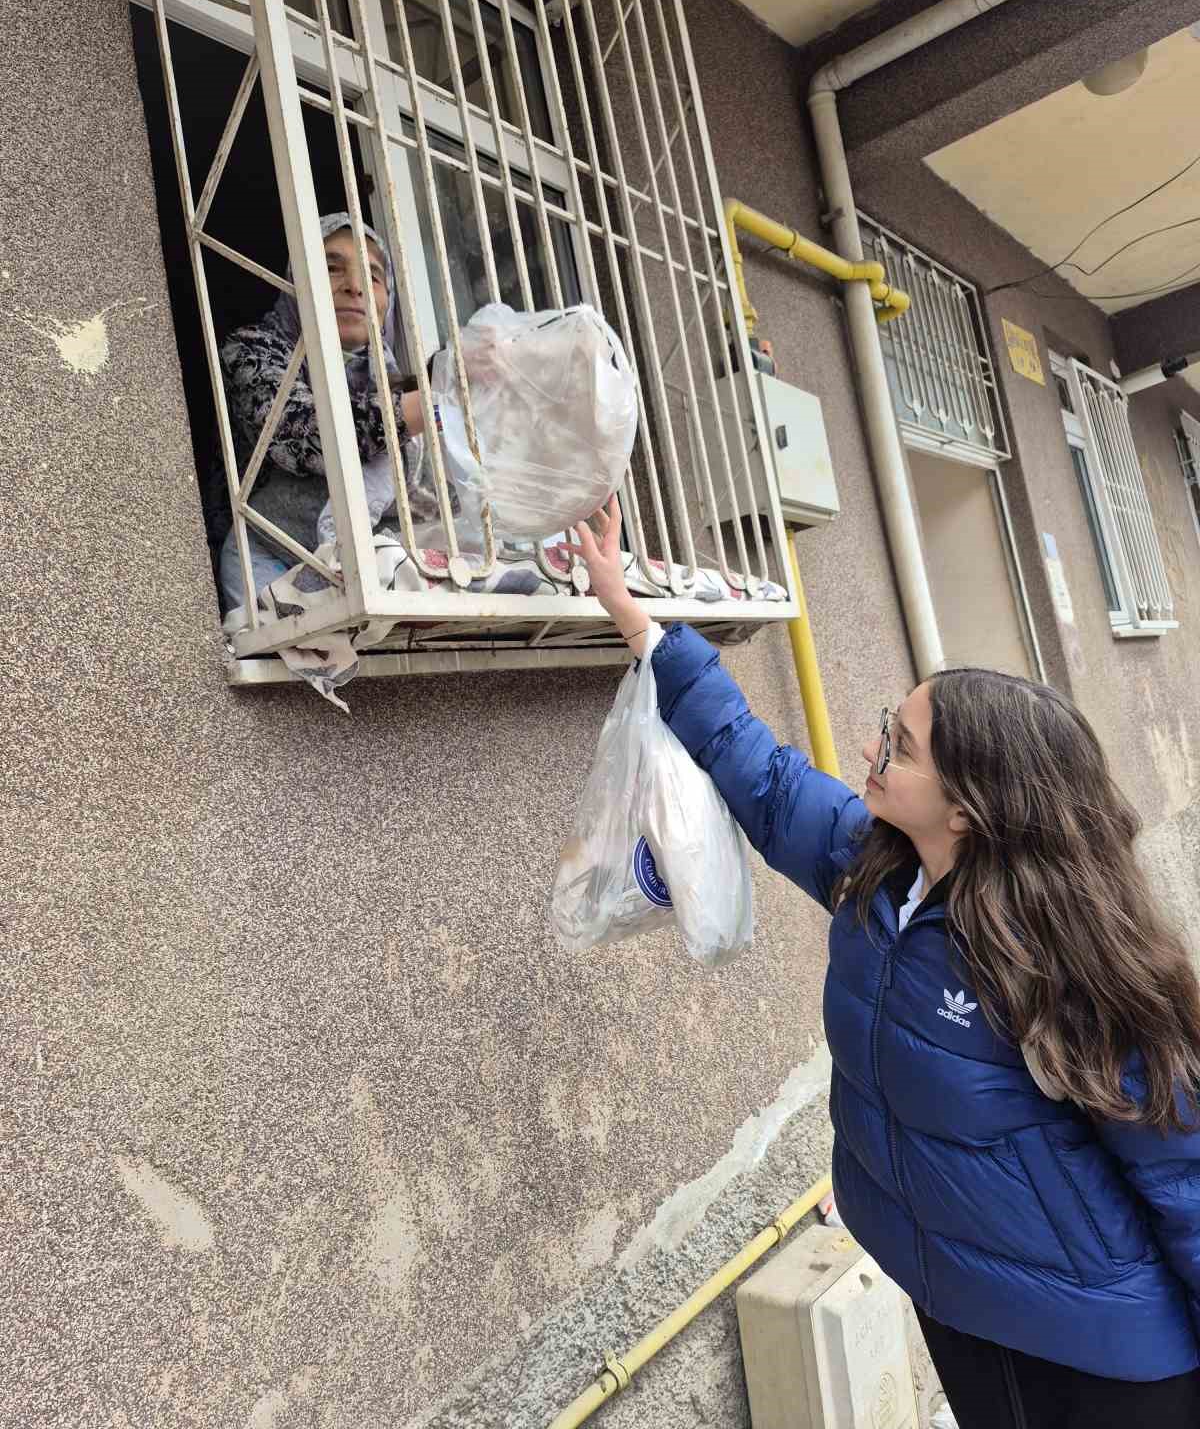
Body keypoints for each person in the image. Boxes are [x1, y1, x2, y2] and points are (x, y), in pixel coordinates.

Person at [572, 494, 1200, 1429]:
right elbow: (759, 771)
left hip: (1096, 1354)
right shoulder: (875, 866)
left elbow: (1180, 1177)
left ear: (969, 808)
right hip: (961, 1305)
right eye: (886, 723)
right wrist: (637, 617)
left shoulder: (1065, 960)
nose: (872, 746)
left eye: (899, 746)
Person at [217, 212, 437, 612]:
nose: (354, 287)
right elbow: (304, 434)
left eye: (372, 277)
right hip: (271, 560)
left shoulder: (394, 380)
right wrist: (425, 406)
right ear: (295, 281)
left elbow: (437, 496)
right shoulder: (251, 352)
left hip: (368, 569)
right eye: (331, 268)